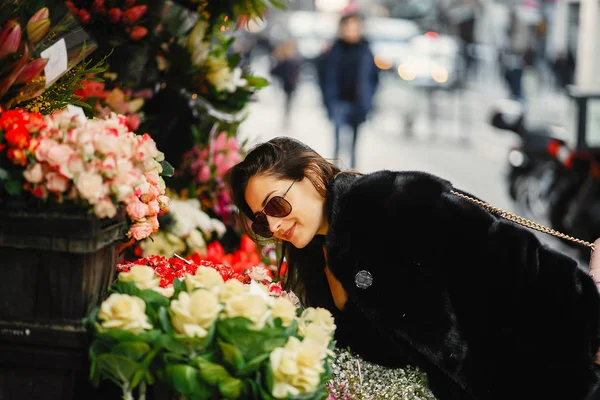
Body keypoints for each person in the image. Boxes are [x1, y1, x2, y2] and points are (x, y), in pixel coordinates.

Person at [226, 136, 600, 400]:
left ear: (309, 173)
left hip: (549, 375)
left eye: (275, 206)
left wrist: (593, 329)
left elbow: (516, 259)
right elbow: (393, 354)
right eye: (261, 222)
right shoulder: (319, 260)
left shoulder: (388, 200)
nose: (273, 227)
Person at [321, 11, 379, 169]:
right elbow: (324, 76)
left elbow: (374, 77)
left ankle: (353, 175)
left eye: (356, 27)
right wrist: (327, 100)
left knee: (354, 145)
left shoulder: (365, 50)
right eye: (349, 27)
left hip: (358, 103)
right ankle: (334, 174)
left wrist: (369, 99)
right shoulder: (334, 50)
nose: (352, 30)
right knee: (338, 142)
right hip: (338, 101)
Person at [270, 40, 302, 127]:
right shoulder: (286, 60)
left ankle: (287, 118)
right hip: (287, 85)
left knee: (288, 102)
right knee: (288, 102)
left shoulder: (292, 59)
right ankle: (286, 118)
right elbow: (275, 71)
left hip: (291, 85)